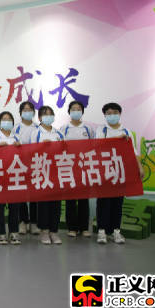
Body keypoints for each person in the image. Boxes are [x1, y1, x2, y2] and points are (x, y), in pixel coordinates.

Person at [95, 102, 143, 244]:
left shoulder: (126, 131)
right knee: (103, 202)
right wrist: (117, 140)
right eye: (109, 113)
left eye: (115, 113)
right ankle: (102, 231)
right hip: (104, 171)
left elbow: (134, 151)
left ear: (120, 114)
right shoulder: (101, 130)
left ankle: (116, 231)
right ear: (105, 115)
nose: (112, 116)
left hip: (120, 172)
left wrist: (140, 167)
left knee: (117, 202)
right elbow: (98, 146)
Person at [60, 101, 94, 238]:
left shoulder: (88, 128)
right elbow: (60, 147)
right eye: (73, 109)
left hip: (84, 167)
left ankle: (84, 227)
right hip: (69, 167)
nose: (76, 111)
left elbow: (93, 146)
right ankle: (72, 228)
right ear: (69, 112)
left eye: (78, 109)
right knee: (70, 199)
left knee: (84, 199)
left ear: (82, 112)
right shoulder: (64, 128)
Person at [31, 105, 64, 245]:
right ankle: (44, 231)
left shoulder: (59, 133)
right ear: (39, 118)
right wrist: (41, 146)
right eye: (45, 114)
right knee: (43, 203)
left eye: (50, 114)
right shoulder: (36, 132)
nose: (48, 116)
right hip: (42, 170)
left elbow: (65, 150)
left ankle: (54, 231)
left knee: (56, 203)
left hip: (56, 171)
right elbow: (30, 151)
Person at [0, 111, 21, 245]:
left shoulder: (17, 137)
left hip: (14, 174)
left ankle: (14, 232)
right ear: (0, 122)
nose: (7, 121)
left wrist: (19, 148)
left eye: (9, 119)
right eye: (4, 119)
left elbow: (24, 155)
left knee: (14, 205)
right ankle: (0, 232)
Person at [14, 101, 40, 235]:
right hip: (20, 165)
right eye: (25, 110)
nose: (27, 112)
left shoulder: (38, 127)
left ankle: (34, 222)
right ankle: (23, 221)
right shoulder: (16, 128)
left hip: (36, 164)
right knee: (21, 194)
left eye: (30, 110)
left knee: (34, 194)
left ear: (34, 112)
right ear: (20, 113)